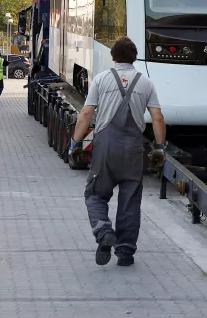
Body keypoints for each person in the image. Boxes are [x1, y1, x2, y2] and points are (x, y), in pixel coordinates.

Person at [68, 36, 166, 267]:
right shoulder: (146, 83)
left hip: (105, 148)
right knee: (130, 200)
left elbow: (86, 114)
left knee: (95, 194)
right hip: (133, 149)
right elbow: (158, 117)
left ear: (112, 56)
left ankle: (103, 231)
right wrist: (159, 148)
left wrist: (75, 142)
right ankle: (126, 252)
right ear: (135, 57)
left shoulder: (102, 79)